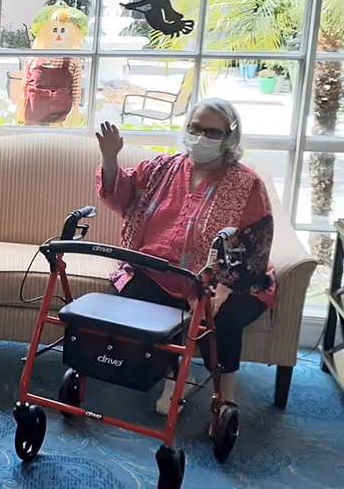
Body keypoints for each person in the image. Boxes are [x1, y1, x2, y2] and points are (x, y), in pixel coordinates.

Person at [95, 98, 276, 417]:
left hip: (226, 278)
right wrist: (110, 159)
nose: (201, 137)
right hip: (158, 271)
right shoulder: (161, 168)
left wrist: (224, 288)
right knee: (131, 298)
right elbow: (120, 194)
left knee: (220, 317)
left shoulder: (247, 184)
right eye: (195, 128)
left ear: (229, 137)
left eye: (212, 132)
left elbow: (256, 244)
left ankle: (226, 397)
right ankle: (175, 376)